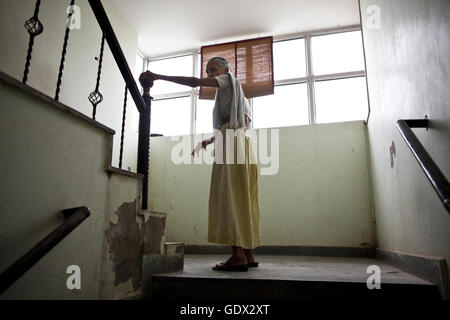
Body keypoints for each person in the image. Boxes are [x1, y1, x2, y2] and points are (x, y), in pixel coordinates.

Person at [139, 57, 261, 271]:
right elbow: (240, 124)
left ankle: (237, 256)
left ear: (226, 69)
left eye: (212, 69)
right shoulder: (240, 96)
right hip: (242, 143)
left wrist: (158, 76)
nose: (209, 74)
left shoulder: (227, 79)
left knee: (229, 196)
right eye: (207, 71)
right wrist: (212, 140)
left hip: (232, 141)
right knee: (243, 197)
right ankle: (247, 254)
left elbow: (194, 82)